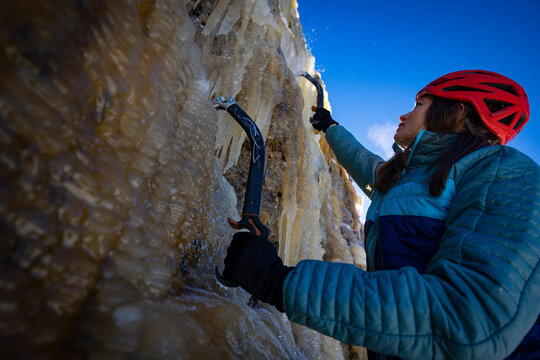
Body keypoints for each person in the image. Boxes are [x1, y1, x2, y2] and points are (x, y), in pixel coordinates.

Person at [221, 70, 540, 360]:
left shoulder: (504, 172)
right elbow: (365, 164)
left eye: (420, 103)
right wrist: (331, 128)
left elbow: (468, 318)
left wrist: (281, 282)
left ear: (456, 111)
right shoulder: (407, 179)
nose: (405, 113)